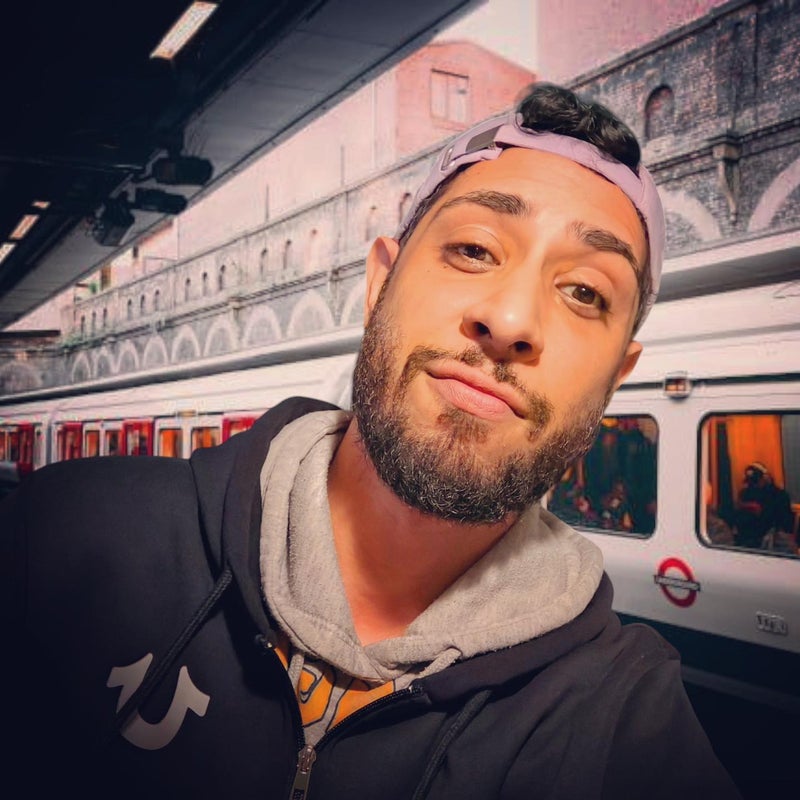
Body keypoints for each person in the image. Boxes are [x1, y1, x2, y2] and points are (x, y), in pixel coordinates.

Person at [0, 83, 741, 799]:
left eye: (585, 292)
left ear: (615, 378)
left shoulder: (629, 731)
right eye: (475, 249)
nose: (513, 320)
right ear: (379, 285)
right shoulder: (62, 541)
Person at [734, 461, 795, 551]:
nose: (753, 485)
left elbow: (786, 524)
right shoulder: (745, 494)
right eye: (750, 482)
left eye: (755, 481)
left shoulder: (780, 496)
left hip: (773, 541)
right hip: (748, 540)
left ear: (765, 478)